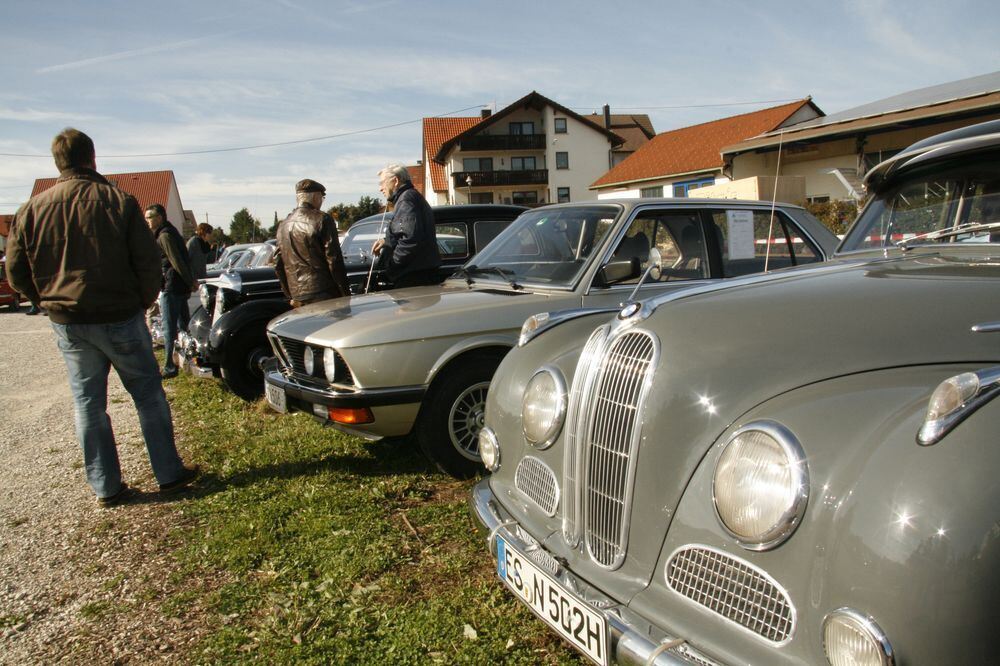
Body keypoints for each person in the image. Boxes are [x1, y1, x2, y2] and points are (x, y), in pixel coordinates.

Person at [6, 128, 197, 506]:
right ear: (92, 158)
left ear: (57, 163)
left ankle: (106, 487)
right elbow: (147, 264)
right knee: (147, 395)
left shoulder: (32, 209)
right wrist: (141, 302)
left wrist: (45, 302)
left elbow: (15, 271)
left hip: (70, 322)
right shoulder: (118, 201)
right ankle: (168, 473)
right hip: (120, 315)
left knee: (88, 404)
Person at [274, 179, 349, 306]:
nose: (321, 201)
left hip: (296, 294)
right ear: (316, 196)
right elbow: (334, 259)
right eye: (322, 197)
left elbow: (278, 263)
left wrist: (290, 294)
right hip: (323, 292)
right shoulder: (322, 219)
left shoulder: (283, 225)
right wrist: (345, 293)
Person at [145, 203, 195, 379]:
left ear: (159, 218)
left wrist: (191, 281)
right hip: (177, 285)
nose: (147, 221)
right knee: (184, 326)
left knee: (169, 328)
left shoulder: (165, 235)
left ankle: (169, 367)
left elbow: (176, 261)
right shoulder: (170, 232)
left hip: (172, 286)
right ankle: (188, 361)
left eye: (149, 218)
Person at [371, 164, 441, 288]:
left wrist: (392, 264)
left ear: (396, 180)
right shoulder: (410, 197)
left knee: (407, 308)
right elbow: (408, 232)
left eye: (382, 183)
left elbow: (410, 240)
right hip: (420, 274)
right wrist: (386, 241)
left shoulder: (406, 200)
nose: (380, 188)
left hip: (413, 277)